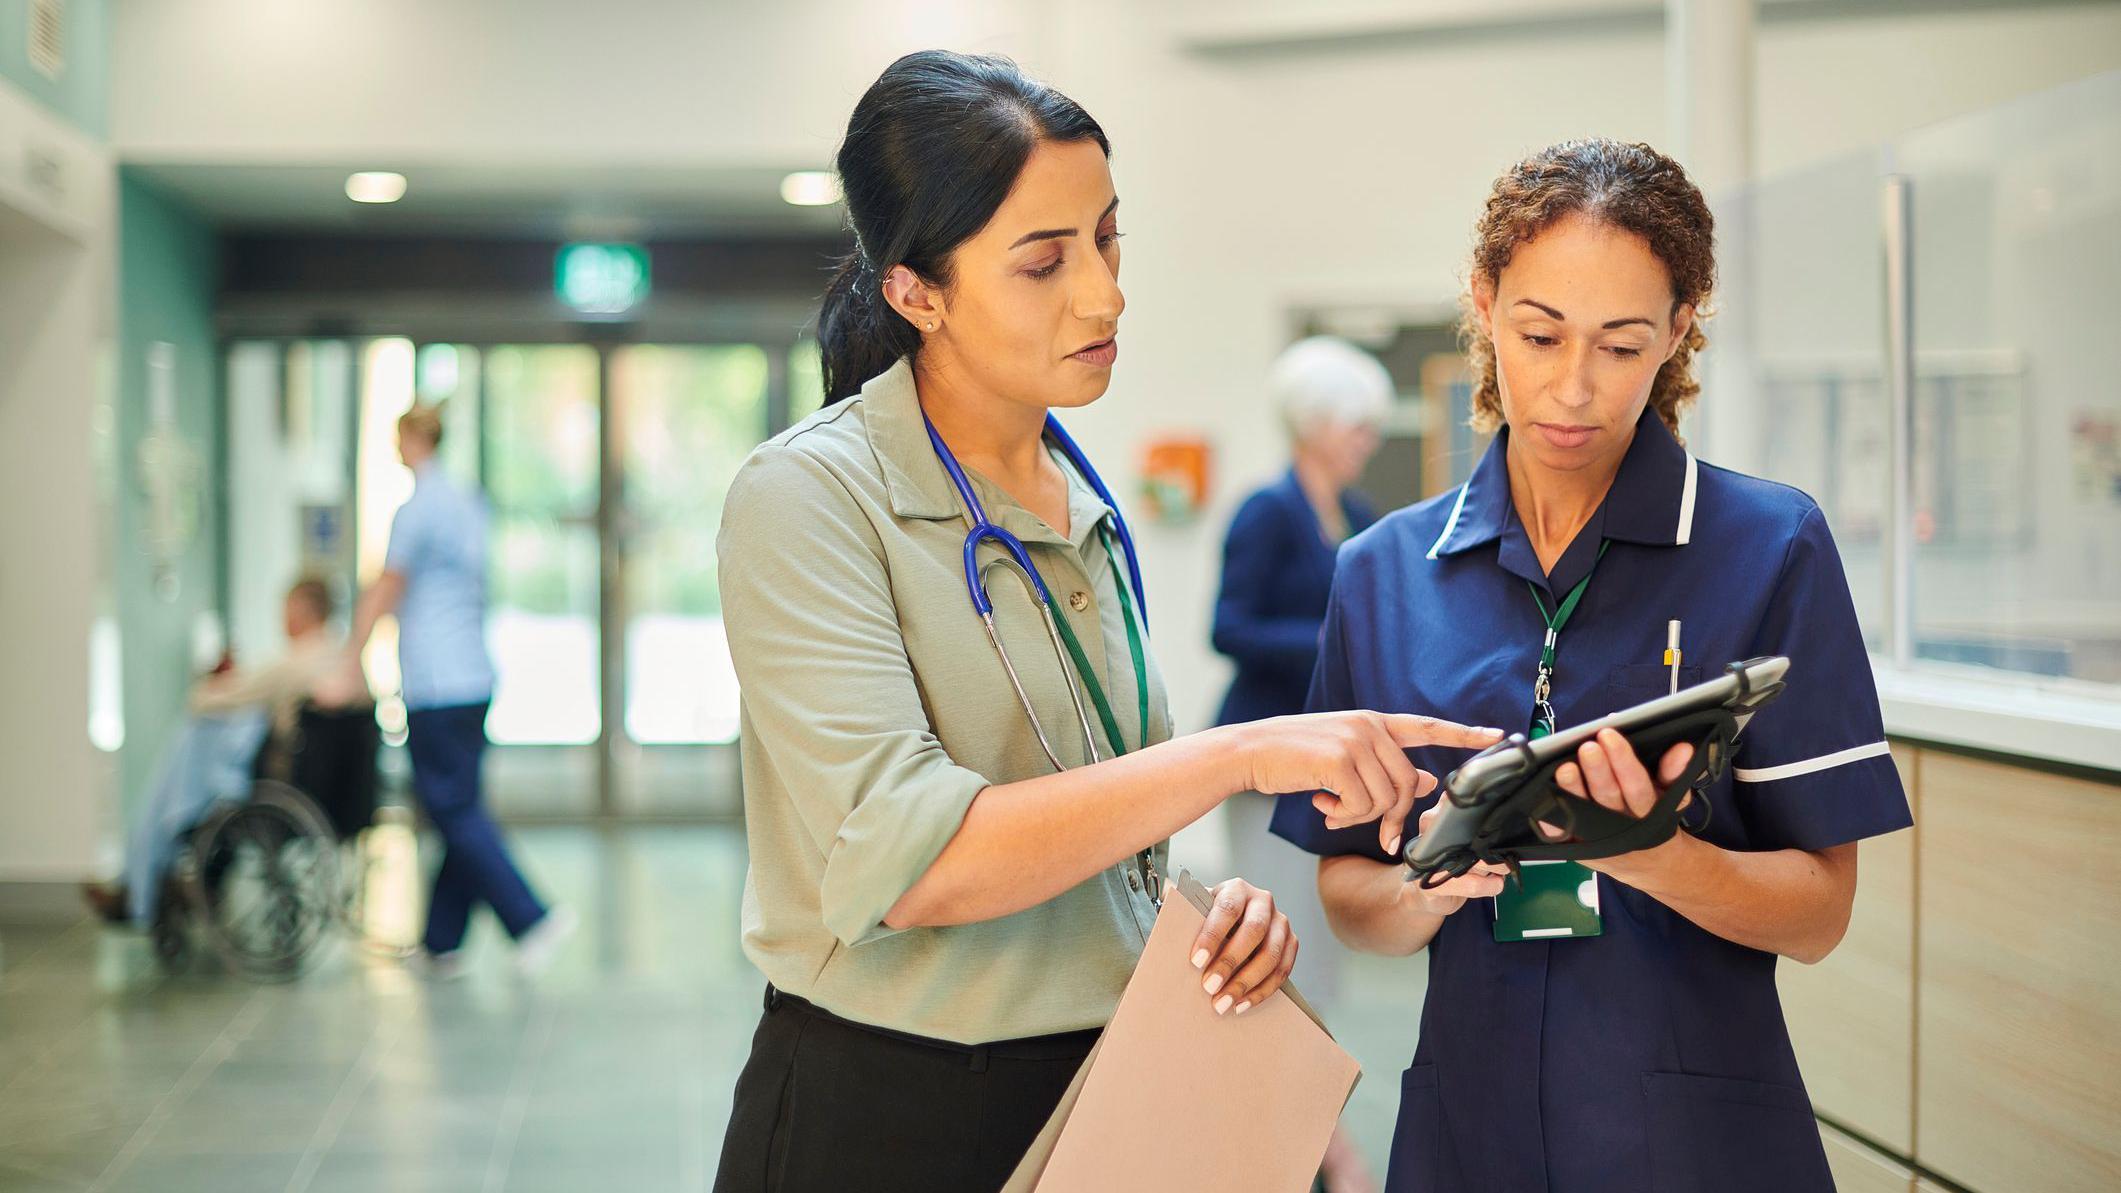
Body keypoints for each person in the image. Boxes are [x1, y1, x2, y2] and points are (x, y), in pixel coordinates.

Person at [711, 51, 1498, 1193]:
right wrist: (1237, 753)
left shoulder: (1077, 497)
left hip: (1108, 1085)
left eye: (1109, 238)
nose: (1106, 293)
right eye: (1044, 262)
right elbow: (910, 857)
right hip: (886, 1108)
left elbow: (1101, 829)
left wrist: (1195, 921)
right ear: (913, 291)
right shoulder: (808, 498)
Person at [1271, 139, 1914, 1193]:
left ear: (1679, 329)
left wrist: (1650, 852)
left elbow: (1819, 913)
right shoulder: (1381, 572)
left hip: (1697, 1136)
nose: (1573, 388)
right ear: (1482, 305)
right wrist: (1427, 885)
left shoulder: (1770, 546)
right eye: (1539, 333)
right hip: (1465, 1126)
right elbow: (1348, 886)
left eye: (1621, 344)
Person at [1211, 336, 1391, 1193]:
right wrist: (1329, 643)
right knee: (1274, 964)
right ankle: (1329, 1154)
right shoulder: (1265, 512)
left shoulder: (1354, 513)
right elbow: (1230, 626)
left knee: (1317, 965)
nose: (1366, 439)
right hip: (1260, 765)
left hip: (1327, 772)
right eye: (1357, 423)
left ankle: (1308, 1141)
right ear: (1314, 422)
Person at [350, 404, 573, 978]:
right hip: (472, 678)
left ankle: (530, 916)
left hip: (436, 684)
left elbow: (386, 588)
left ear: (415, 439)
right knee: (456, 809)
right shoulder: (467, 503)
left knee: (453, 809)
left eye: (397, 438)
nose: (395, 450)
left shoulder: (416, 508)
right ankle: (441, 943)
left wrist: (349, 658)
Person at [85, 577, 367, 926]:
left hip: (285, 784)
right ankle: (150, 878)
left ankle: (142, 881)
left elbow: (209, 698)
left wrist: (210, 685)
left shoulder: (298, 660)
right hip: (333, 795)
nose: (282, 619)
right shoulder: (342, 658)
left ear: (303, 610)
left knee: (189, 748)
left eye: (286, 609)